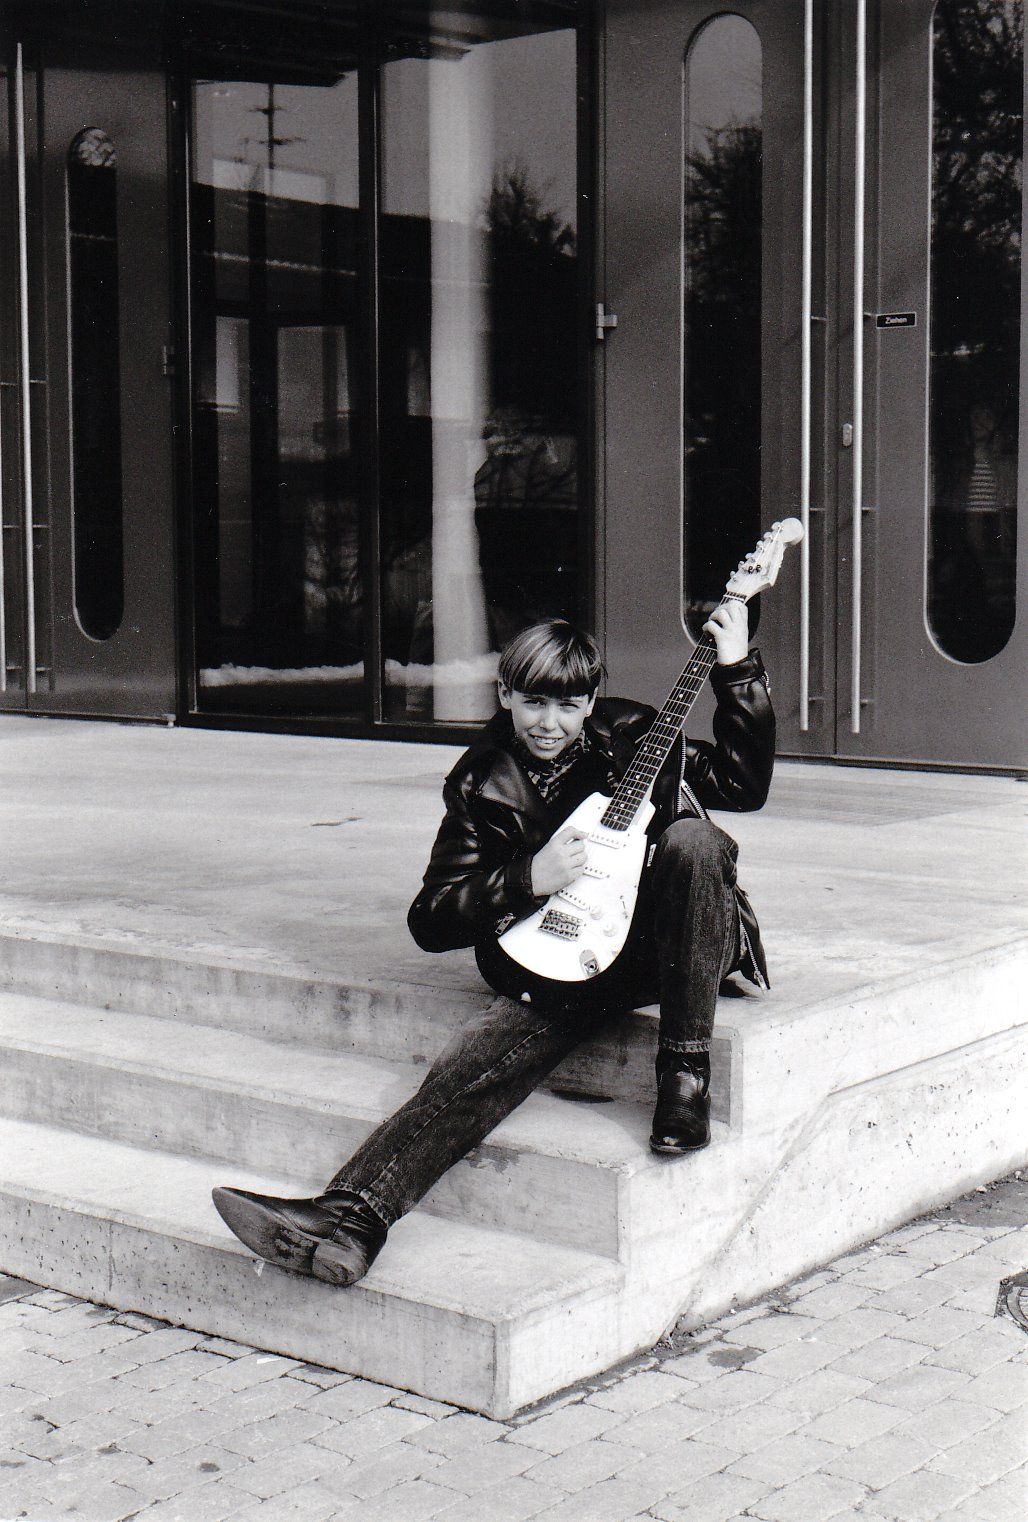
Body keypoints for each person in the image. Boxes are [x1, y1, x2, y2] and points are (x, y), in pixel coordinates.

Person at [213, 612, 775, 1288]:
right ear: (504, 694)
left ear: (592, 701)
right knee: (479, 1057)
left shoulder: (635, 735)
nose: (550, 723)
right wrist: (527, 878)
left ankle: (684, 1079)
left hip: (668, 942)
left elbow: (743, 786)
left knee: (697, 842)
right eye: (533, 702)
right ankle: (354, 1219)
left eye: (569, 705)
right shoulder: (482, 781)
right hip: (565, 957)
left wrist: (736, 669)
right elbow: (431, 919)